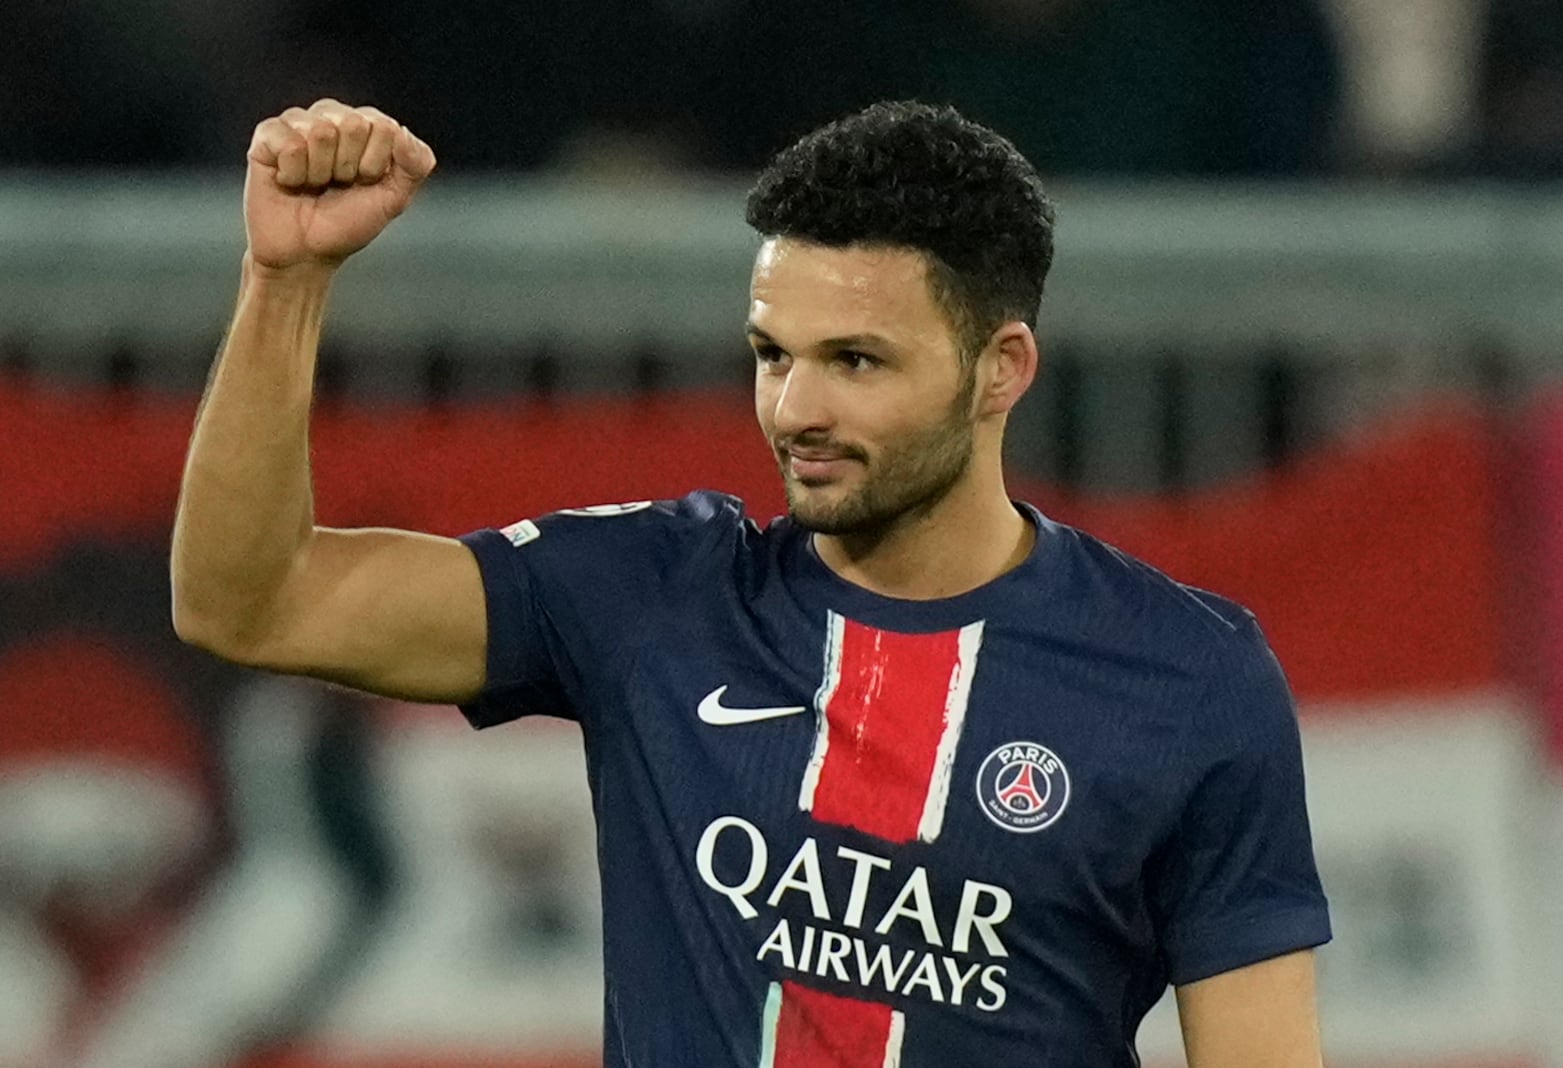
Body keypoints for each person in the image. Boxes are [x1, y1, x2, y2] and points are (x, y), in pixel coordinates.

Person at [171, 97, 1331, 1067]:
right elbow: (250, 601)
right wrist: (286, 282)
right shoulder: (653, 594)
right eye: (773, 354)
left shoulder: (1187, 678)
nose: (796, 410)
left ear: (1001, 370)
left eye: (856, 362)